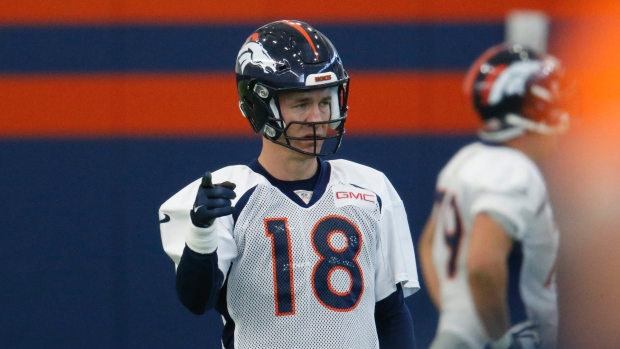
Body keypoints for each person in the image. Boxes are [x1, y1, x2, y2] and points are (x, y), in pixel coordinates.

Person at [159, 20, 420, 349]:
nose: (317, 117)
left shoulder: (371, 188)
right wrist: (200, 232)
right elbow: (196, 300)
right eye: (301, 104)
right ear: (258, 106)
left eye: (325, 102)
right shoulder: (228, 194)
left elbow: (391, 314)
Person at [419, 43, 570, 349]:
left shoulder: (466, 159)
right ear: (533, 107)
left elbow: (426, 246)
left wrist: (455, 317)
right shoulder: (512, 171)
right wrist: (502, 339)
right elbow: (482, 264)